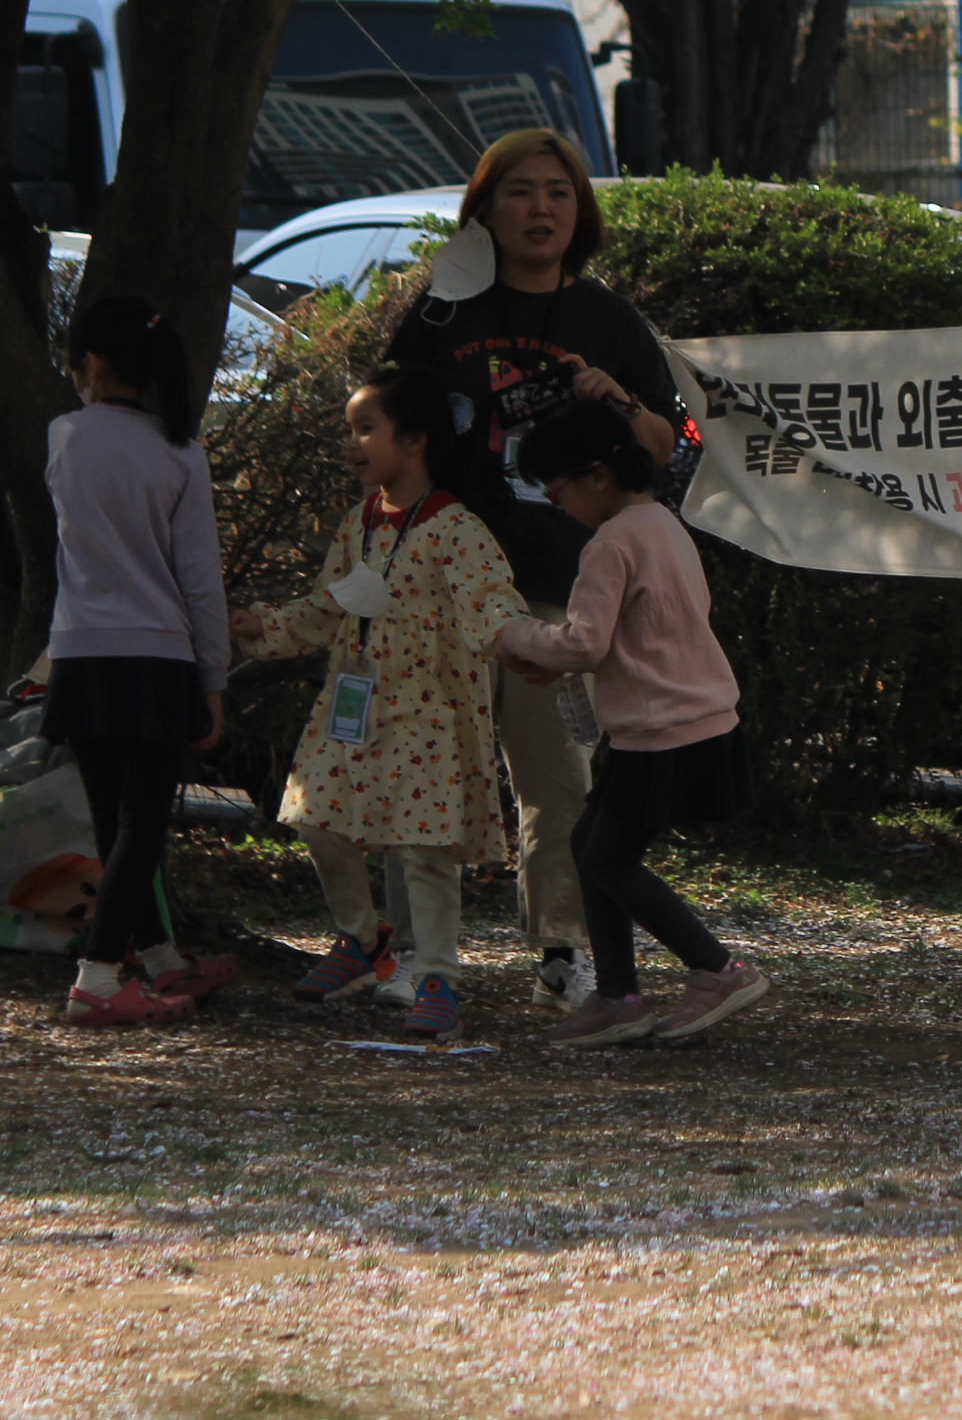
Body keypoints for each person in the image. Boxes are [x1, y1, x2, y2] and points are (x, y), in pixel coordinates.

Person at [385, 128, 689, 1009]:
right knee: (426, 772)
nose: (540, 209)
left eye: (558, 191)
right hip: (444, 582)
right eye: (519, 191)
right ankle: (417, 952)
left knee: (558, 781)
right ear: (484, 209)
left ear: (579, 211)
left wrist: (614, 398)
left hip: (559, 582)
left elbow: (666, 444)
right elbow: (386, 436)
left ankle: (562, 949)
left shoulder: (607, 320)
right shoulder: (441, 315)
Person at [232, 364, 529, 1039]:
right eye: (350, 430)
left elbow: (491, 602)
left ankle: (439, 979)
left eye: (366, 429)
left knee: (425, 849)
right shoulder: (359, 523)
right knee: (316, 818)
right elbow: (326, 607)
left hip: (428, 713)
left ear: (415, 439)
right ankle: (364, 940)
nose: (352, 445)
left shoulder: (455, 527)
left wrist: (526, 643)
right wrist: (262, 626)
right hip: (353, 705)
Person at [490, 400, 768, 1051]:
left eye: (555, 489)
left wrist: (516, 636)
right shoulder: (662, 523)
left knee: (606, 857)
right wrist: (555, 661)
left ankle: (716, 969)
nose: (555, 504)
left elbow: (584, 642)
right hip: (693, 718)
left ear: (597, 475)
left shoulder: (610, 543)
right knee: (591, 846)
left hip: (660, 730)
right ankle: (619, 996)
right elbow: (642, 629)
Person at [41, 295, 237, 1028]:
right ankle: (97, 978)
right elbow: (201, 582)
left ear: (91, 365)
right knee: (142, 825)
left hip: (80, 655)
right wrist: (212, 678)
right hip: (157, 657)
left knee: (113, 823)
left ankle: (157, 959)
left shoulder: (64, 437)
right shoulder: (180, 453)